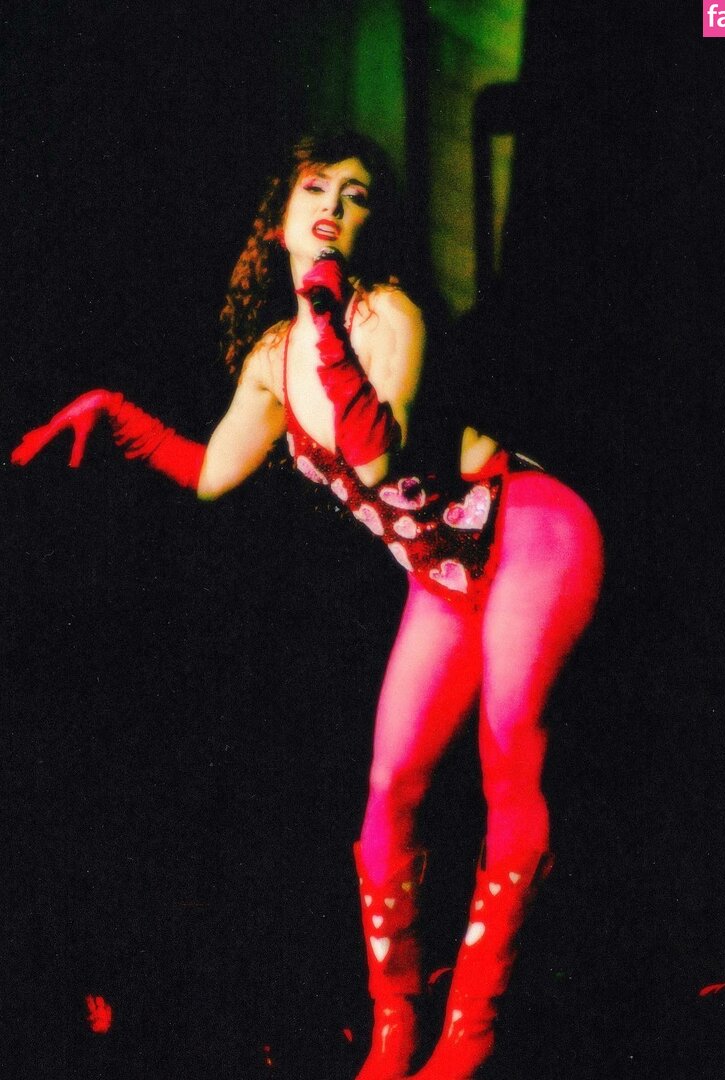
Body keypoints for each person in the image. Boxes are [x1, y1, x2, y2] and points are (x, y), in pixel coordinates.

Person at [12, 131, 604, 1080]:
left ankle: (472, 1036)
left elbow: (374, 457)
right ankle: (394, 1034)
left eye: (358, 195)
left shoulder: (385, 315)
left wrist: (329, 323)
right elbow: (212, 473)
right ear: (279, 222)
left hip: (526, 526)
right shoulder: (272, 358)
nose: (334, 205)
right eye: (316, 189)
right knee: (389, 789)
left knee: (509, 744)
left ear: (372, 228)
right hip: (441, 576)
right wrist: (113, 414)